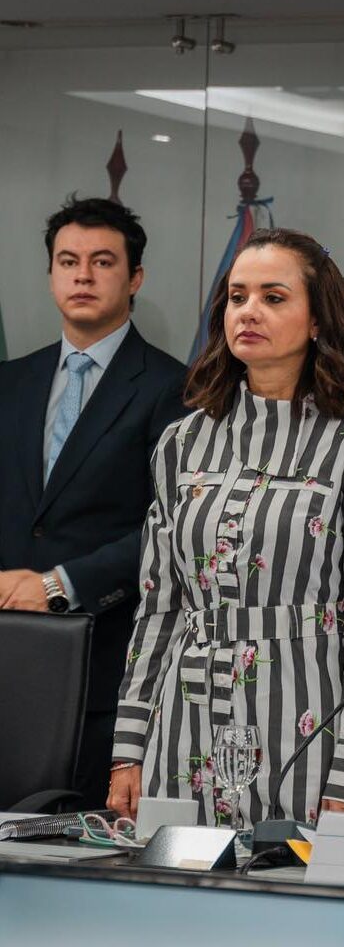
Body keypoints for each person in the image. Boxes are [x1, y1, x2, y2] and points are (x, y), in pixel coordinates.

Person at [107, 228, 344, 827]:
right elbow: (158, 608)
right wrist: (128, 748)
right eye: (237, 296)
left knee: (297, 909)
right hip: (182, 724)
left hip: (306, 725)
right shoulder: (180, 441)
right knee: (179, 909)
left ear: (318, 319)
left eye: (274, 297)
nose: (249, 311)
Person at [0, 196, 186, 808]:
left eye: (102, 261)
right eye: (68, 260)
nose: (82, 275)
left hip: (106, 664)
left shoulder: (175, 388)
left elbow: (174, 528)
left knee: (71, 842)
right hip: (7, 648)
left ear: (134, 279)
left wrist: (59, 582)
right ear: (51, 273)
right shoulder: (10, 382)